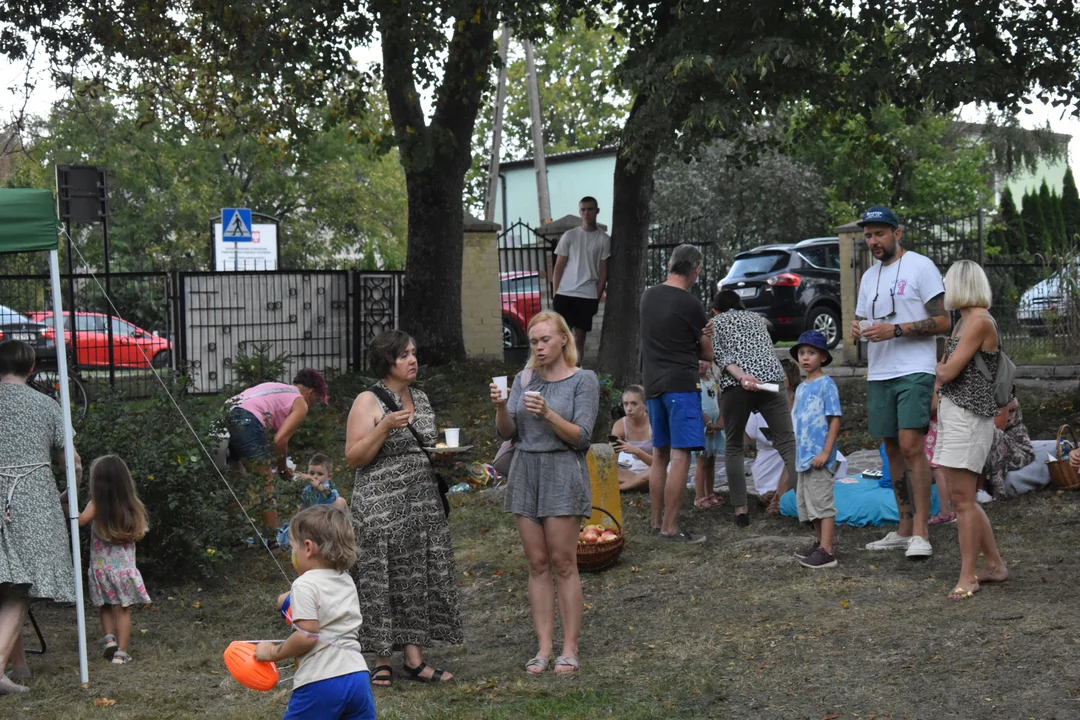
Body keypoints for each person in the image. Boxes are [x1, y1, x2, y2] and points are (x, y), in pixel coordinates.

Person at [346, 330, 462, 687]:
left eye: (414, 353)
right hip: (380, 508)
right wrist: (382, 428)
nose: (413, 360)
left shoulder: (422, 399)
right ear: (387, 361)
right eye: (404, 355)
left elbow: (427, 446)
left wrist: (446, 455)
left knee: (417, 578)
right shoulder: (368, 400)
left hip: (422, 506)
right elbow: (353, 458)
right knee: (381, 578)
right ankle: (381, 660)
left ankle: (415, 659)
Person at [491, 311, 598, 675]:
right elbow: (508, 434)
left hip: (562, 472)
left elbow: (582, 437)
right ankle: (542, 648)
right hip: (525, 471)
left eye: (545, 340)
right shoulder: (523, 378)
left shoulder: (583, 380)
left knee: (564, 563)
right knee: (537, 563)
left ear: (564, 340)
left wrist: (550, 414)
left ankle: (569, 648)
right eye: (534, 341)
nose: (538, 347)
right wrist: (503, 405)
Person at [852, 206, 950, 560]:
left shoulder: (921, 267)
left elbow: (943, 321)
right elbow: (864, 320)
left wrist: (896, 329)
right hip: (880, 372)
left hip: (914, 369)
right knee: (891, 448)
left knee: (912, 444)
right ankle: (904, 527)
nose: (873, 241)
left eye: (879, 233)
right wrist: (857, 329)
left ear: (897, 233)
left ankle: (923, 530)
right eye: (868, 235)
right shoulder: (868, 277)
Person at [0, 340, 81, 695]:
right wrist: (67, 495)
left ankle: (19, 667)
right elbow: (73, 463)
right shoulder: (47, 405)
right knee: (20, 587)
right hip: (32, 500)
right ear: (31, 368)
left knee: (7, 582)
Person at [933, 260, 1009, 600]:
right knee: (964, 499)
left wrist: (939, 367)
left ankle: (968, 576)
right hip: (956, 414)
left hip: (971, 417)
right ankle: (993, 565)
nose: (944, 289)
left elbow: (947, 373)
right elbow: (947, 373)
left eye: (947, 282)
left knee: (963, 501)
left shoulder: (978, 321)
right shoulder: (963, 320)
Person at [255, 505, 374, 719]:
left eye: (293, 548)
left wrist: (273, 653)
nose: (292, 554)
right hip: (357, 676)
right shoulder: (345, 579)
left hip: (322, 680)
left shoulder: (303, 585)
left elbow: (307, 635)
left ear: (308, 548)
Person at [639, 244, 713, 542]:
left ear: (671, 265)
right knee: (681, 456)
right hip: (682, 385)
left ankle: (656, 523)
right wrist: (705, 340)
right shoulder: (691, 304)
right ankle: (671, 528)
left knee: (660, 454)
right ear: (695, 269)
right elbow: (707, 352)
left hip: (653, 383)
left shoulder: (648, 296)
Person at [710, 290, 796, 528]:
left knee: (734, 445)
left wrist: (743, 378)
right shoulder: (758, 318)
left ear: (715, 310)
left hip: (737, 386)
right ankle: (807, 505)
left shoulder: (714, 323)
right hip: (772, 379)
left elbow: (721, 357)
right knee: (788, 444)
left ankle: (740, 510)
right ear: (741, 305)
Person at [226, 369, 328, 531]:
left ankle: (235, 539)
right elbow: (280, 440)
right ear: (311, 391)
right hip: (245, 420)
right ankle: (271, 538)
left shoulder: (278, 389)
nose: (314, 403)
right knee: (266, 482)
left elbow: (277, 438)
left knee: (235, 481)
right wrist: (282, 471)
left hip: (224, 417)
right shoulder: (300, 401)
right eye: (316, 398)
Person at [77, 455, 151, 665]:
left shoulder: (96, 505)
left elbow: (80, 521)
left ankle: (109, 638)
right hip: (124, 570)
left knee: (105, 605)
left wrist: (66, 507)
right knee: (122, 608)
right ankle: (121, 651)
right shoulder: (131, 506)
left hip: (101, 567)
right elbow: (142, 531)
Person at [787, 331, 843, 569]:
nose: (805, 357)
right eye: (802, 353)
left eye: (811, 353)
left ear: (823, 357)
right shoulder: (800, 388)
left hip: (820, 457)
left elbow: (834, 420)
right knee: (810, 505)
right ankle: (820, 543)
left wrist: (825, 452)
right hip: (804, 458)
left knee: (822, 503)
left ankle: (828, 551)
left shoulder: (826, 385)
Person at [552, 196, 612, 363]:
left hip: (587, 295)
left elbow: (603, 271)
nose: (586, 213)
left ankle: (576, 371)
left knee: (580, 338)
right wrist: (556, 292)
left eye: (590, 209)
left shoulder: (604, 239)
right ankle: (558, 369)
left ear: (597, 211)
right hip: (565, 293)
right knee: (560, 336)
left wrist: (597, 297)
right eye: (583, 210)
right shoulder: (569, 236)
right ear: (580, 212)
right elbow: (559, 266)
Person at [276, 454, 349, 548]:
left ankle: (342, 534)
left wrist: (311, 480)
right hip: (316, 522)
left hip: (331, 520)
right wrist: (295, 523)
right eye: (312, 473)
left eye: (320, 474)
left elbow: (326, 491)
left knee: (340, 501)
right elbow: (302, 508)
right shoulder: (307, 490)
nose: (315, 477)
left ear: (329, 476)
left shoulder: (329, 486)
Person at [981, 391, 1035, 500]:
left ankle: (993, 490)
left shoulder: (1002, 393)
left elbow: (997, 428)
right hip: (989, 446)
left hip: (1017, 450)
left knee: (990, 433)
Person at [692, 360, 725, 509]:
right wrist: (707, 422)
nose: (700, 363)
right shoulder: (694, 382)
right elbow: (695, 405)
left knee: (711, 461)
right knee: (701, 462)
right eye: (697, 359)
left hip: (715, 426)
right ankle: (699, 496)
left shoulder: (713, 381)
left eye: (704, 360)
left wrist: (719, 421)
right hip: (702, 426)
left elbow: (719, 401)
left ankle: (710, 492)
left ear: (710, 363)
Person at [610, 385, 653, 492]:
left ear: (644, 405)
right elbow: (612, 462)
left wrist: (636, 451)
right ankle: (636, 484)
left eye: (634, 404)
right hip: (634, 470)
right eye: (626, 404)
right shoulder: (620, 424)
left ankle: (618, 489)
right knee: (608, 472)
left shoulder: (654, 423)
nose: (629, 409)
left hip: (654, 468)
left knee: (654, 472)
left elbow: (658, 463)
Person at [925, 389, 956, 525]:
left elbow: (934, 405)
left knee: (937, 469)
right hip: (950, 424)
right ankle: (955, 509)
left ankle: (946, 511)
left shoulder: (935, 381)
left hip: (935, 427)